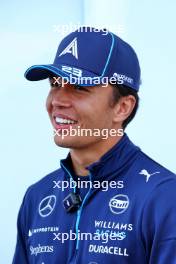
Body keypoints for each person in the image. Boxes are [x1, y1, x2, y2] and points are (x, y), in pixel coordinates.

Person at [13, 27, 176, 264]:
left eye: (79, 87)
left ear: (122, 107)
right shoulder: (37, 196)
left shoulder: (164, 197)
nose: (57, 100)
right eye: (54, 84)